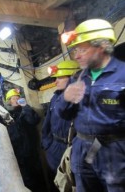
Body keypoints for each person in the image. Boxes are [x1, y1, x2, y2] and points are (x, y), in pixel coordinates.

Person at [56, 18, 125, 191]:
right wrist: (65, 98)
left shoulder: (122, 75)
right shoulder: (79, 77)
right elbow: (63, 114)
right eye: (76, 50)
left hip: (114, 151)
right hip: (82, 148)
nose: (76, 55)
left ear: (101, 47)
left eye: (82, 50)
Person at [41, 60, 80, 191]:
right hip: (54, 149)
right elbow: (46, 124)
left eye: (59, 77)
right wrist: (47, 145)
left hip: (71, 149)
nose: (55, 81)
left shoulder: (80, 97)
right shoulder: (55, 98)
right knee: (59, 183)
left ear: (72, 77)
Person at [4, 88, 45, 192]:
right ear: (9, 101)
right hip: (18, 156)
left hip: (31, 152)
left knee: (38, 178)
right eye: (14, 98)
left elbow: (34, 120)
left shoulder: (25, 110)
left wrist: (25, 106)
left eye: (18, 97)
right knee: (26, 180)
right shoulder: (5, 115)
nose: (17, 100)